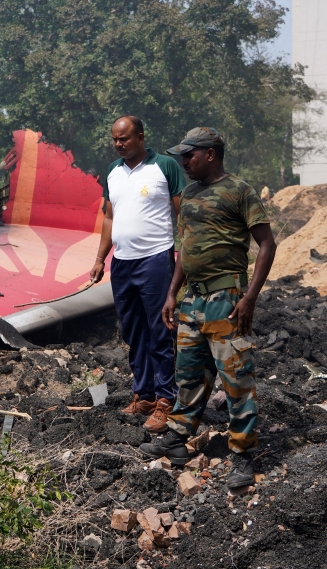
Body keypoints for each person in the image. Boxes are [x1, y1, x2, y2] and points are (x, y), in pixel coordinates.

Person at [139, 127, 277, 490]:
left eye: (189, 155)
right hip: (192, 301)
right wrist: (173, 292)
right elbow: (186, 249)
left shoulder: (239, 191)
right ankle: (178, 438)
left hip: (226, 300)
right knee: (189, 373)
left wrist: (250, 297)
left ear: (210, 154)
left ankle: (242, 453)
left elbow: (266, 244)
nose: (183, 162)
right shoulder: (189, 195)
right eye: (182, 156)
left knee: (235, 378)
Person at [89, 115, 185, 433]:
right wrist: (101, 258)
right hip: (123, 262)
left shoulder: (165, 167)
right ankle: (143, 394)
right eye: (115, 139)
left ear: (140, 137)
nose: (118, 144)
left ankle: (165, 400)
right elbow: (108, 219)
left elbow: (181, 212)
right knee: (133, 332)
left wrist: (185, 251)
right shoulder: (113, 173)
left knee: (159, 331)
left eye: (125, 138)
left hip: (155, 259)